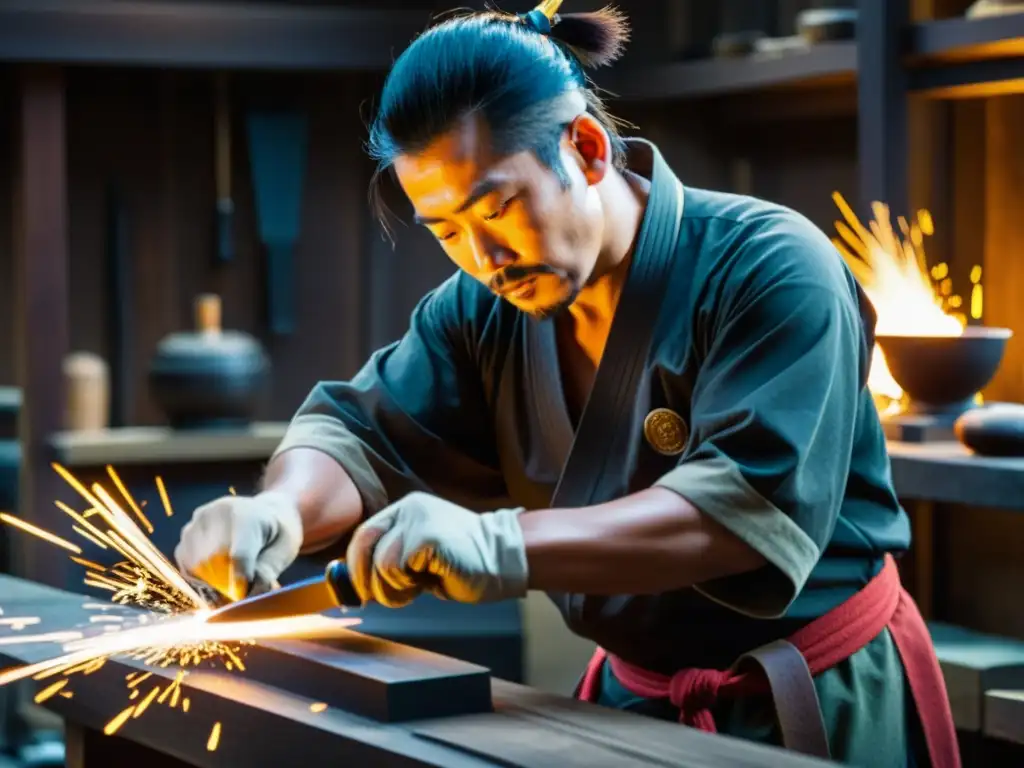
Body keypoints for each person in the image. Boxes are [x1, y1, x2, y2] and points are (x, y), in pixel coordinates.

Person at [175, 2, 959, 765]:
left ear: (586, 148)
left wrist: (501, 544)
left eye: (499, 206)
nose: (484, 257)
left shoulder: (774, 268)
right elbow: (362, 435)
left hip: (815, 699)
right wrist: (279, 509)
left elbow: (740, 513)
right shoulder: (480, 311)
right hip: (631, 705)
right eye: (447, 231)